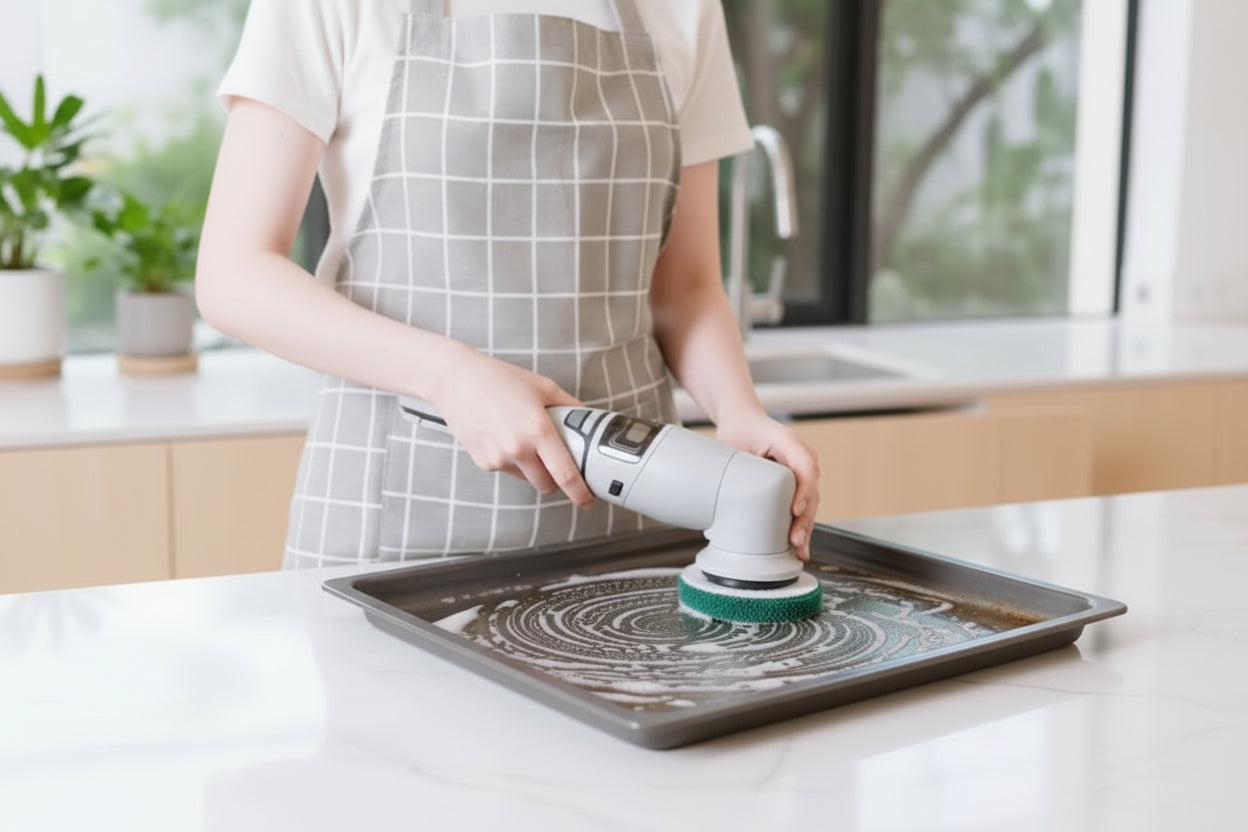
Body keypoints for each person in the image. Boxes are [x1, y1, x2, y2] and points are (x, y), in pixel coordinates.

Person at [197, 0, 819, 569]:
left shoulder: (683, 8)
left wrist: (737, 411)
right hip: (388, 524)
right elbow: (234, 274)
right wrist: (451, 374)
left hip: (629, 518)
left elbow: (685, 290)